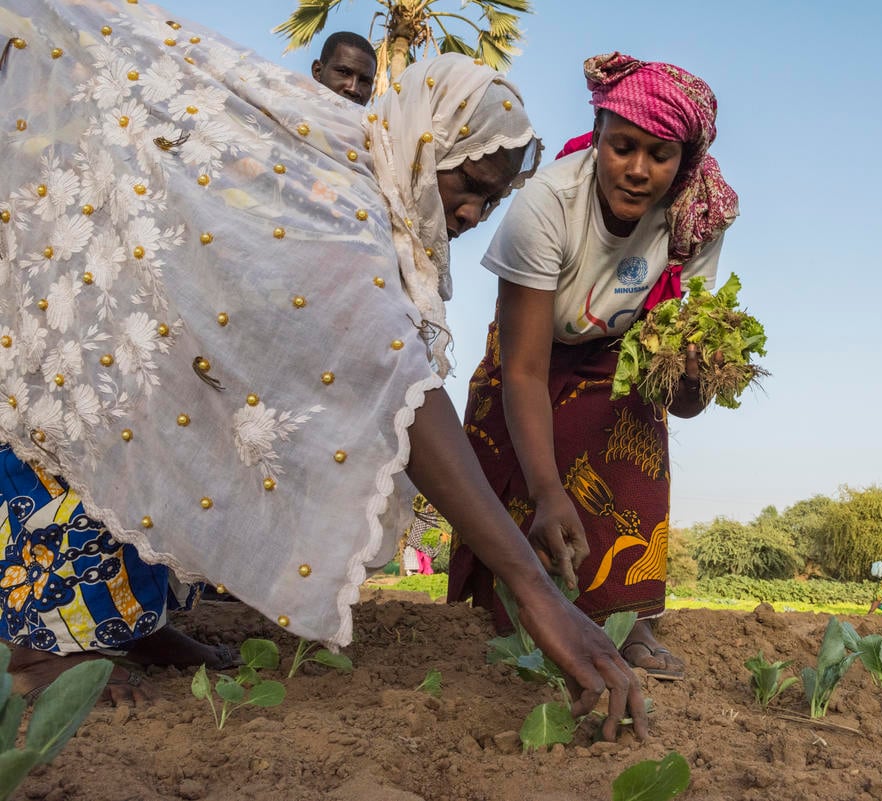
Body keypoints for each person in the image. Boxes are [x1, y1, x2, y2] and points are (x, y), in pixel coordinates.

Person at [0, 1, 645, 739]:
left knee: (226, 436)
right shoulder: (348, 191)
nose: (472, 212)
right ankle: (38, 654)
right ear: (427, 144)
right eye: (466, 183)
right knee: (104, 423)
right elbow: (400, 383)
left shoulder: (385, 198)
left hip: (186, 340)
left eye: (492, 199)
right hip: (108, 308)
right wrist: (533, 590)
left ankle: (130, 622)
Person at [448, 52, 739, 681]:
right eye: (622, 147)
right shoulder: (548, 203)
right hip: (531, 348)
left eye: (659, 155)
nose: (637, 170)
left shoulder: (696, 219)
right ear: (599, 137)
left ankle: (629, 622)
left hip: (617, 352)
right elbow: (524, 370)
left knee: (633, 439)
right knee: (525, 478)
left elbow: (682, 399)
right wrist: (549, 491)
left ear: (683, 162)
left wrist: (690, 384)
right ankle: (521, 609)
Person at [311, 31, 376, 106]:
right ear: (317, 71)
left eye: (365, 81)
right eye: (344, 72)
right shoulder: (295, 109)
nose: (353, 89)